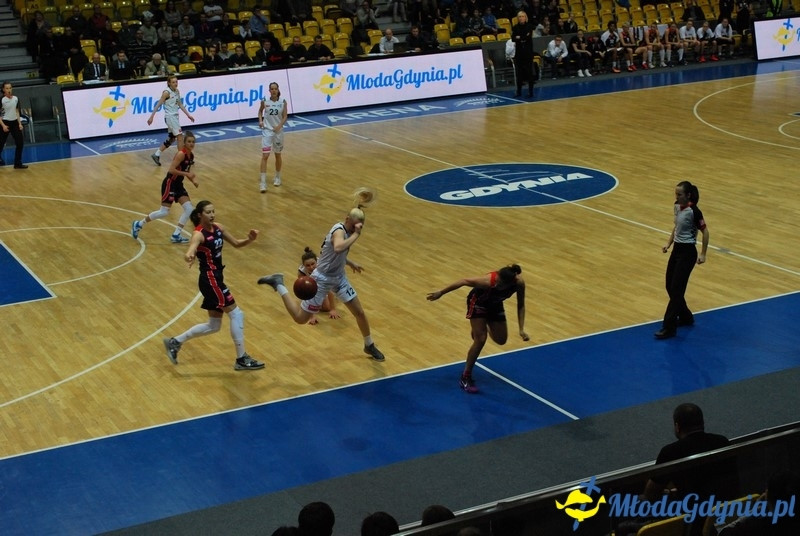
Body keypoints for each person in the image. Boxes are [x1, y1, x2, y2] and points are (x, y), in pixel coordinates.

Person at [258, 193, 386, 362]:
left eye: (358, 227)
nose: (355, 229)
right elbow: (339, 247)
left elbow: (336, 255)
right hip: (322, 279)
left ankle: (369, 344)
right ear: (347, 219)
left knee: (359, 312)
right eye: (353, 226)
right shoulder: (339, 230)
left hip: (339, 277)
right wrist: (356, 235)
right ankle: (279, 283)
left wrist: (349, 262)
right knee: (300, 319)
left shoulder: (349, 230)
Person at [162, 200, 265, 370]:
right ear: (199, 215)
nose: (212, 215)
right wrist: (188, 256)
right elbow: (191, 249)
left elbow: (237, 244)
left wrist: (249, 239)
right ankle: (241, 359)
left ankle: (175, 342)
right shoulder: (198, 234)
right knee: (237, 314)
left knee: (213, 325)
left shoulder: (218, 228)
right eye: (208, 212)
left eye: (213, 211)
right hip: (210, 279)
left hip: (216, 278)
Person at [617, 403, 738, 536]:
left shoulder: (670, 452)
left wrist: (669, 490)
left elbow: (650, 494)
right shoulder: (722, 442)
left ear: (677, 426)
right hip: (723, 514)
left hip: (690, 521)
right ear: (702, 423)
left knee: (626, 513)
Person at [427, 264, 529, 394]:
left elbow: (521, 305)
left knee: (501, 340)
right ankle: (466, 376)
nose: (497, 284)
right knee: (480, 339)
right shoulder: (487, 281)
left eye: (501, 284)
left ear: (510, 283)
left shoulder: (519, 284)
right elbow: (463, 281)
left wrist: (521, 329)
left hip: (495, 305)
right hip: (478, 303)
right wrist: (441, 292)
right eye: (497, 281)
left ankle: (482, 325)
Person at [655, 181, 709, 340]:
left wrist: (703, 253)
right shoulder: (677, 206)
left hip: (687, 253)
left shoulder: (694, 212)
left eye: (679, 194)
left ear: (688, 195)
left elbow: (705, 232)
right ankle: (686, 316)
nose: (677, 197)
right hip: (677, 250)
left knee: (677, 289)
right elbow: (677, 227)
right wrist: (668, 243)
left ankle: (669, 327)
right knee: (669, 286)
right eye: (676, 194)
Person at [131, 130, 198, 243]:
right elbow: (171, 170)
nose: (191, 144)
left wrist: (193, 181)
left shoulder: (191, 155)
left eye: (193, 142)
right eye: (189, 141)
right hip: (170, 183)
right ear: (185, 143)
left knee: (189, 209)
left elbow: (186, 171)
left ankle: (176, 235)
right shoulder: (181, 154)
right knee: (164, 212)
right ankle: (138, 224)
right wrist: (187, 174)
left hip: (178, 185)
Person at [147, 75, 195, 166]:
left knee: (172, 138)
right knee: (180, 137)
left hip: (175, 117)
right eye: (173, 82)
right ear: (169, 83)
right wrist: (151, 116)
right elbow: (158, 104)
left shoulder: (177, 91)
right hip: (170, 117)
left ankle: (156, 154)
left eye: (176, 82)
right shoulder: (166, 92)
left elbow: (180, 104)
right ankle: (182, 159)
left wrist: (188, 115)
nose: (175, 83)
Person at [299, 246, 346, 324]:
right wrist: (311, 316)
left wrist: (333, 309)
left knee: (327, 307)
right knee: (311, 295)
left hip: (331, 281)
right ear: (303, 266)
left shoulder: (323, 268)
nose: (311, 267)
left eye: (313, 264)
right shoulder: (301, 273)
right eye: (307, 265)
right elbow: (305, 293)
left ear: (317, 262)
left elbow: (329, 290)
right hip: (314, 287)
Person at [257, 81, 288, 191]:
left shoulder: (283, 102)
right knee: (265, 156)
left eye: (275, 88)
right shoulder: (265, 101)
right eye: (272, 89)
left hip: (278, 132)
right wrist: (261, 121)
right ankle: (263, 183)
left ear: (278, 90)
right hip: (267, 131)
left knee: (278, 155)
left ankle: (278, 177)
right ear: (269, 90)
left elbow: (285, 116)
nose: (274, 90)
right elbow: (260, 112)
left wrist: (279, 126)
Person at [0, 82, 28, 169]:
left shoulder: (16, 98)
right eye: (7, 88)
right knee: (0, 144)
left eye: (10, 88)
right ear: (3, 89)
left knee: (20, 143)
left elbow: (16, 111)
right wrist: (3, 126)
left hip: (14, 123)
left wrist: (19, 123)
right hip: (4, 123)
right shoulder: (1, 100)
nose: (9, 90)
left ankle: (17, 163)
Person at [510, 10, 535, 98]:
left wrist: (519, 37)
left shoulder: (529, 26)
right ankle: (519, 91)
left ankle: (531, 92)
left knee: (529, 72)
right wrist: (521, 37)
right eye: (519, 17)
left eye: (522, 16)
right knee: (519, 73)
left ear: (525, 17)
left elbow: (527, 37)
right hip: (519, 53)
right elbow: (513, 38)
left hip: (528, 52)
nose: (521, 18)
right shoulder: (515, 27)